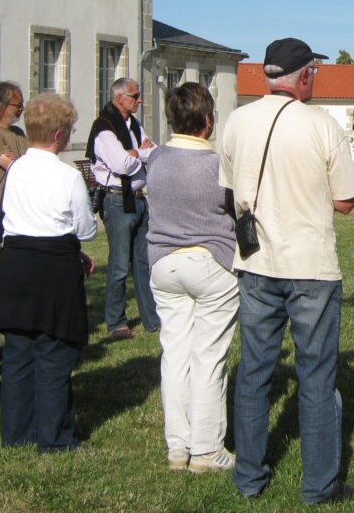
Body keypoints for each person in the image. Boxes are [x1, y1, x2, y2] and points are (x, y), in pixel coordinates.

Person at [220, 38, 354, 505]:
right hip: (311, 268)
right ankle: (319, 485)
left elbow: (228, 191)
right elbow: (345, 202)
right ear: (303, 76)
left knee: (255, 373)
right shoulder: (322, 125)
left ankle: (248, 478)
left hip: (256, 262)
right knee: (317, 377)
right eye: (314, 73)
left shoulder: (237, 121)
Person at [0, 93, 97, 452]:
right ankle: (54, 438)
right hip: (53, 267)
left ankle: (15, 432)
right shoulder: (67, 176)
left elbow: (10, 213)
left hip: (16, 262)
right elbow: (85, 229)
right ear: (58, 136)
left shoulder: (16, 167)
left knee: (18, 350)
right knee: (54, 351)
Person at [147, 83, 238, 473]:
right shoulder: (217, 165)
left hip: (163, 263)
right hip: (210, 261)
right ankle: (206, 449)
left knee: (175, 355)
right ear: (207, 120)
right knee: (208, 358)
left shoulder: (155, 159)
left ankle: (177, 446)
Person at [86, 77, 159, 339]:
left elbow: (156, 152)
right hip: (117, 200)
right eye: (135, 95)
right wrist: (139, 154)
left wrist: (136, 152)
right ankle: (116, 323)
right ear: (120, 98)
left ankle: (152, 318)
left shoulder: (134, 125)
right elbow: (121, 165)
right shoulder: (104, 128)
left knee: (144, 262)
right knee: (118, 265)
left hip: (139, 198)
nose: (139, 99)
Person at [0, 81, 30, 212]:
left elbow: (31, 164)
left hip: (18, 208)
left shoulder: (18, 133)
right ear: (1, 106)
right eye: (18, 105)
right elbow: (14, 167)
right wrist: (20, 163)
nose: (22, 109)